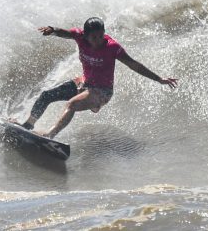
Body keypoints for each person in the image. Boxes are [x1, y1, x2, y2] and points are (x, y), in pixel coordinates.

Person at [16, 17, 178, 139]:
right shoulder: (79, 37)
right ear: (85, 35)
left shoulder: (112, 48)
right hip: (85, 83)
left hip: (102, 91)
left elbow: (134, 65)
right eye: (94, 37)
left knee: (71, 104)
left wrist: (159, 79)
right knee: (47, 95)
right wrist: (53, 30)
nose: (98, 40)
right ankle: (28, 125)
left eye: (101, 36)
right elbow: (66, 33)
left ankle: (49, 136)